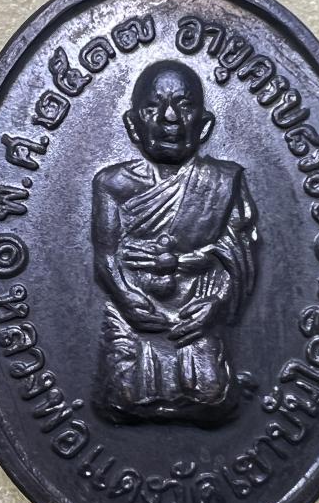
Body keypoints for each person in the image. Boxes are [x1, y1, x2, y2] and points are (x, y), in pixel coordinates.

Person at [91, 60, 258, 424]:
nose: (170, 118)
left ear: (205, 125)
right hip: (134, 314)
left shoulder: (223, 181)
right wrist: (125, 297)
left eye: (184, 106)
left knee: (211, 396)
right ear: (132, 125)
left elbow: (239, 257)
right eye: (153, 106)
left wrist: (215, 304)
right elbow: (105, 256)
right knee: (122, 397)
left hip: (195, 314)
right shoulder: (112, 184)